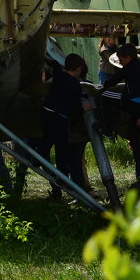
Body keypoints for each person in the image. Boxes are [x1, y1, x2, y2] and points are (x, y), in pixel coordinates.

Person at [102, 43, 140, 189]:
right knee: (138, 141)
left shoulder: (128, 68)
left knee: (106, 95)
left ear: (128, 57)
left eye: (121, 58)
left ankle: (106, 128)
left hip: (132, 104)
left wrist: (104, 85)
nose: (119, 61)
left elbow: (112, 81)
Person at [38, 53, 91, 195]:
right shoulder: (75, 85)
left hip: (46, 114)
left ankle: (37, 158)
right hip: (61, 120)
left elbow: (53, 63)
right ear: (79, 69)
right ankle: (62, 178)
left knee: (45, 144)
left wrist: (44, 57)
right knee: (62, 152)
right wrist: (83, 108)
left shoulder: (58, 74)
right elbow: (74, 108)